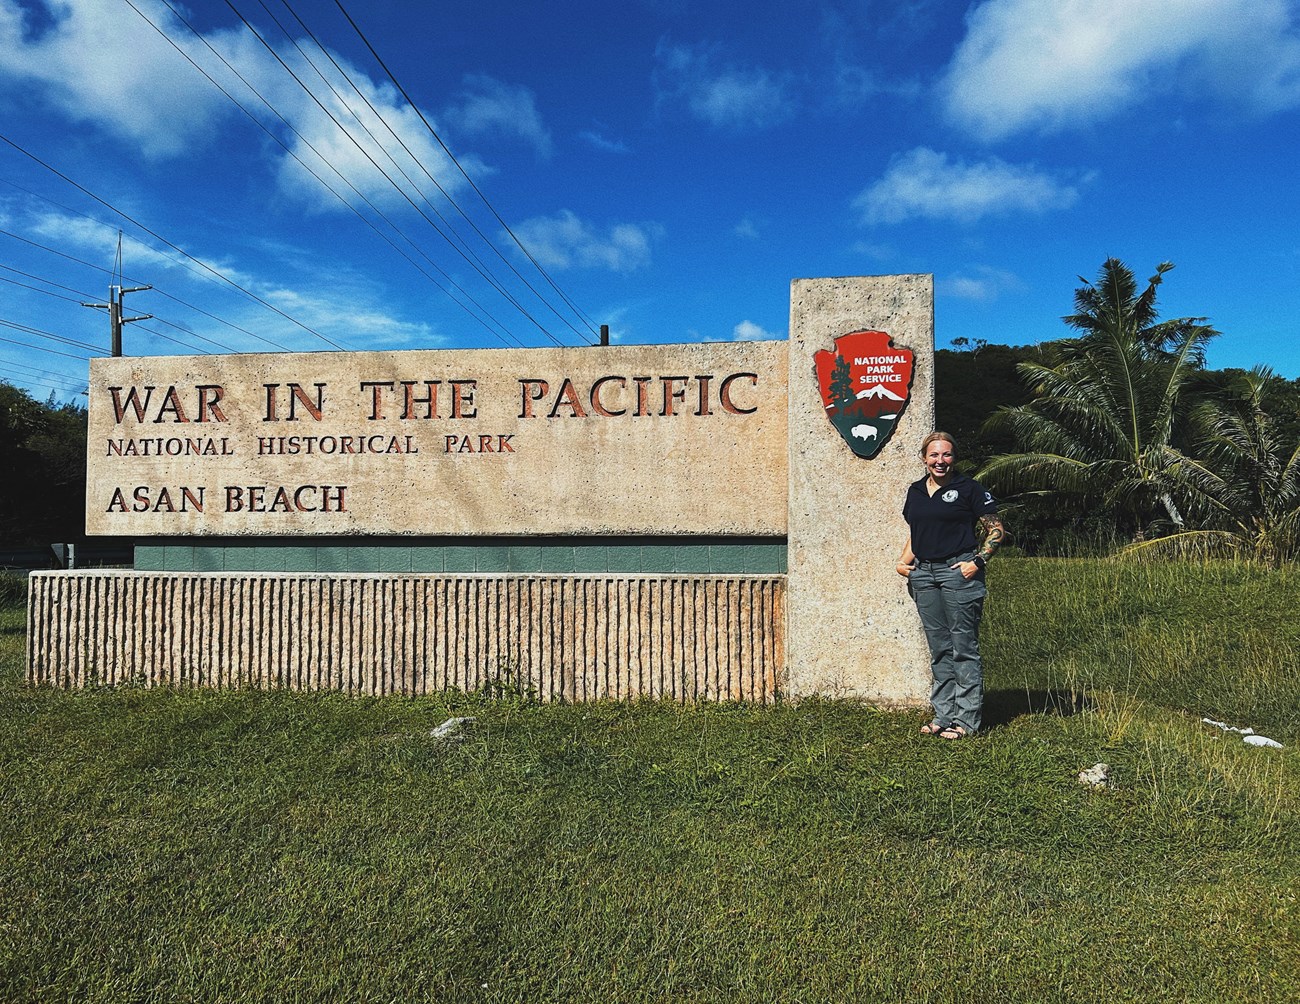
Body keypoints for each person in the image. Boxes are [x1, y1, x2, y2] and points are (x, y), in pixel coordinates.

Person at [895, 432, 1004, 740]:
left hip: (958, 572)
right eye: (934, 455)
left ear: (954, 459)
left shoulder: (969, 489)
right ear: (924, 458)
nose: (940, 461)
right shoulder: (915, 491)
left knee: (963, 647)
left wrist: (977, 562)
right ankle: (944, 714)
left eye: (946, 455)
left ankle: (966, 721)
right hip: (924, 575)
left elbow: (996, 530)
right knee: (939, 648)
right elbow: (918, 532)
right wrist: (903, 562)